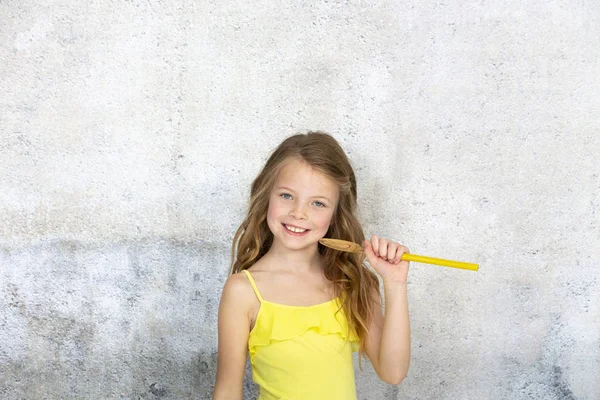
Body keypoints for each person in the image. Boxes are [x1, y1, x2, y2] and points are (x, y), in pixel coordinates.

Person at [213, 131, 411, 400]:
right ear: (267, 195)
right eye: (286, 196)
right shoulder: (243, 291)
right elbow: (227, 392)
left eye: (318, 203)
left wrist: (395, 283)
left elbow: (392, 372)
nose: (299, 213)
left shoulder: (351, 281)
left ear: (335, 214)